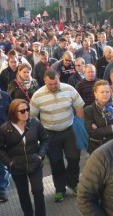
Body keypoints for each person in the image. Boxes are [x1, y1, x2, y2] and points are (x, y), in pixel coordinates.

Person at [29, 70, 85, 202]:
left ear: (59, 78)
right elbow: (32, 117)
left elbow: (79, 107)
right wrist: (38, 135)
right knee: (56, 162)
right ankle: (60, 189)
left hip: (69, 130)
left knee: (74, 159)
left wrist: (78, 125)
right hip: (50, 133)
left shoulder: (69, 89)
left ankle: (73, 182)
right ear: (44, 81)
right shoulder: (37, 96)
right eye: (50, 84)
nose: (54, 86)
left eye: (56, 83)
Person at [0, 99, 49, 216]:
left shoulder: (34, 122)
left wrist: (40, 156)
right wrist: (9, 162)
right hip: (17, 166)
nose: (26, 113)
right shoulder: (5, 129)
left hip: (35, 163)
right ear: (14, 113)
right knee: (23, 193)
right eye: (22, 111)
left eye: (28, 109)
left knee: (38, 191)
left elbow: (45, 139)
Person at [83, 80, 113, 153]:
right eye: (102, 92)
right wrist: (112, 127)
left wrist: (99, 129)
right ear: (95, 94)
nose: (105, 94)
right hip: (97, 147)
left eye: (107, 92)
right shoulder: (89, 110)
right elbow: (92, 133)